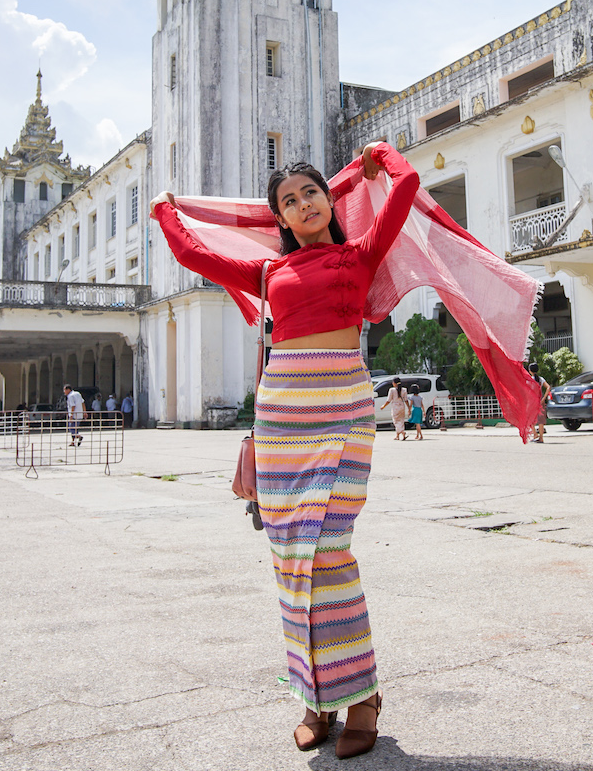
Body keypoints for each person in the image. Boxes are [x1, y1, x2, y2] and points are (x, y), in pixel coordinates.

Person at [151, 140, 419, 759]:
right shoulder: (270, 273)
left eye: (311, 193)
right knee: (289, 562)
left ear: (329, 200)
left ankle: (361, 697)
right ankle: (315, 699)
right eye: (289, 202)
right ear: (280, 219)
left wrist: (383, 155)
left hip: (343, 414)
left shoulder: (360, 253)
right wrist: (166, 210)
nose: (302, 205)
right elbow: (195, 252)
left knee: (328, 553)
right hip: (280, 421)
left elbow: (402, 193)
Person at [528, 362, 550, 442]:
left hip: (532, 401)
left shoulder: (529, 379)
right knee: (541, 420)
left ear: (530, 370)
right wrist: (544, 398)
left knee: (530, 419)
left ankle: (535, 434)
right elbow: (548, 387)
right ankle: (541, 437)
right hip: (540, 401)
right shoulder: (540, 379)